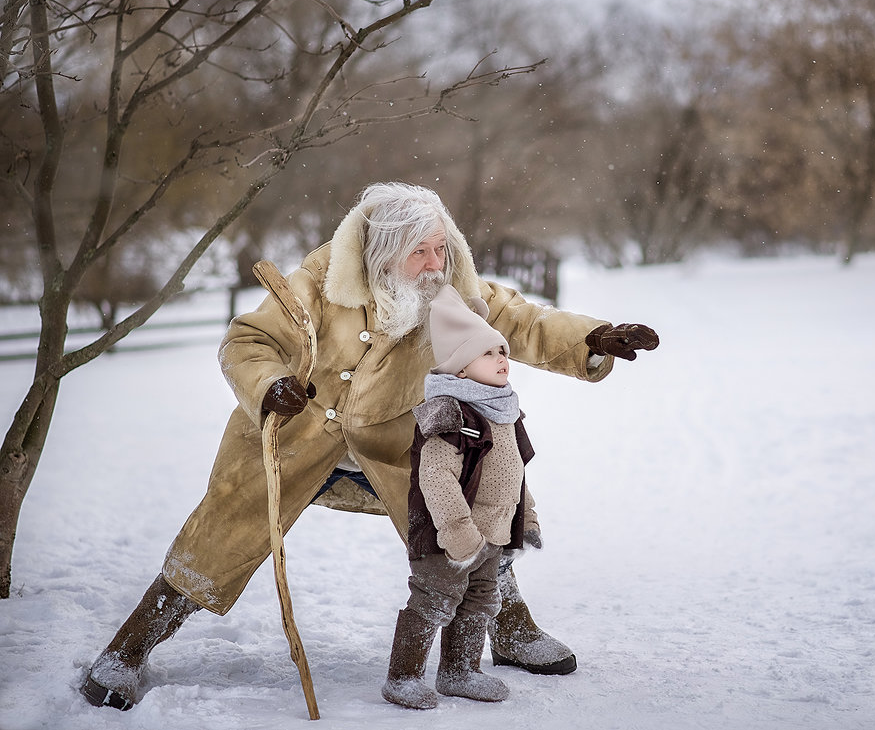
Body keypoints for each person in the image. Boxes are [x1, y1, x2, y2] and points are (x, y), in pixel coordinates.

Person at [80, 182, 660, 710]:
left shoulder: (452, 292)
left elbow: (522, 320)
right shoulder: (313, 287)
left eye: (441, 248)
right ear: (382, 252)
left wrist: (592, 337)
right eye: (419, 252)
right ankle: (129, 649)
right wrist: (270, 388)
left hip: (395, 444)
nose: (435, 264)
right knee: (223, 531)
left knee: (472, 512)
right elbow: (247, 342)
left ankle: (509, 628)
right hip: (298, 432)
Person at [384, 284, 536, 709]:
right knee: (434, 600)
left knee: (481, 600)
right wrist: (457, 533)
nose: (502, 359)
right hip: (447, 538)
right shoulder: (448, 413)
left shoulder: (504, 410)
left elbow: (516, 471)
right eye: (488, 353)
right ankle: (403, 677)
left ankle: (459, 671)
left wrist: (528, 519)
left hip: (492, 534)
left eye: (502, 351)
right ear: (461, 368)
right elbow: (436, 479)